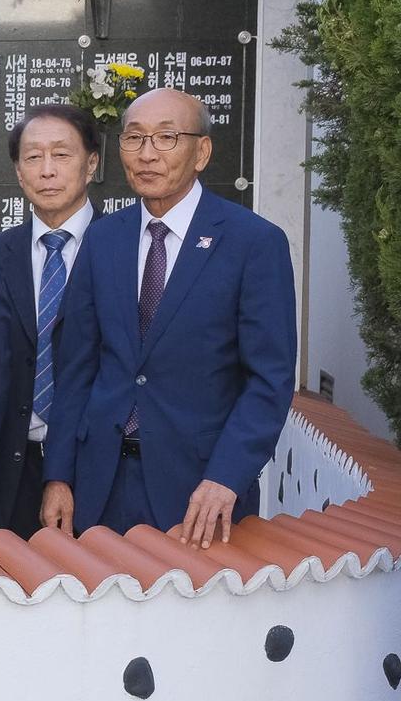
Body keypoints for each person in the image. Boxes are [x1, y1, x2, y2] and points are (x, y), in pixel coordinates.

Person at [42, 89, 296, 546]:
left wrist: (227, 476)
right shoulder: (103, 240)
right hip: (98, 485)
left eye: (166, 138)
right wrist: (58, 474)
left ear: (202, 151)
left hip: (201, 490)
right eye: (134, 138)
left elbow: (268, 379)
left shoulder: (253, 243)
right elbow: (76, 366)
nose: (147, 154)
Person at [0, 104, 100, 536]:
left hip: (100, 465)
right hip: (10, 468)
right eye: (33, 157)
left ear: (91, 164)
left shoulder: (124, 249)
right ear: (18, 172)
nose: (47, 170)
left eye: (61, 155)